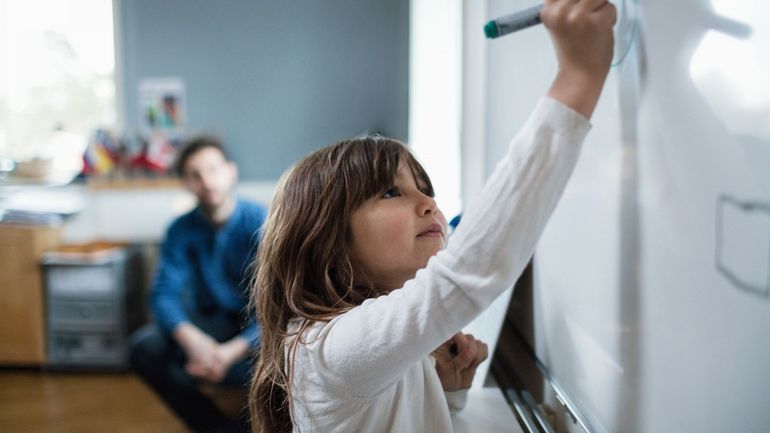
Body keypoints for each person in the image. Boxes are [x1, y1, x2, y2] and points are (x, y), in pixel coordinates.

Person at [249, 0, 616, 432]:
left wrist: (447, 394)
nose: (429, 205)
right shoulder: (328, 351)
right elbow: (465, 274)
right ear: (328, 244)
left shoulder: (363, 345)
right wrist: (578, 78)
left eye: (427, 191)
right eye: (391, 192)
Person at [129, 135, 267, 433]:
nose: (206, 181)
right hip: (211, 328)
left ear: (231, 172)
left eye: (213, 170)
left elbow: (283, 306)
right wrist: (193, 340)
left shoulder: (263, 223)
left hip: (261, 332)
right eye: (195, 174)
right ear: (185, 183)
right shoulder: (180, 229)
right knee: (143, 347)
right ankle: (215, 427)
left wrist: (231, 352)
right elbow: (163, 294)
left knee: (295, 348)